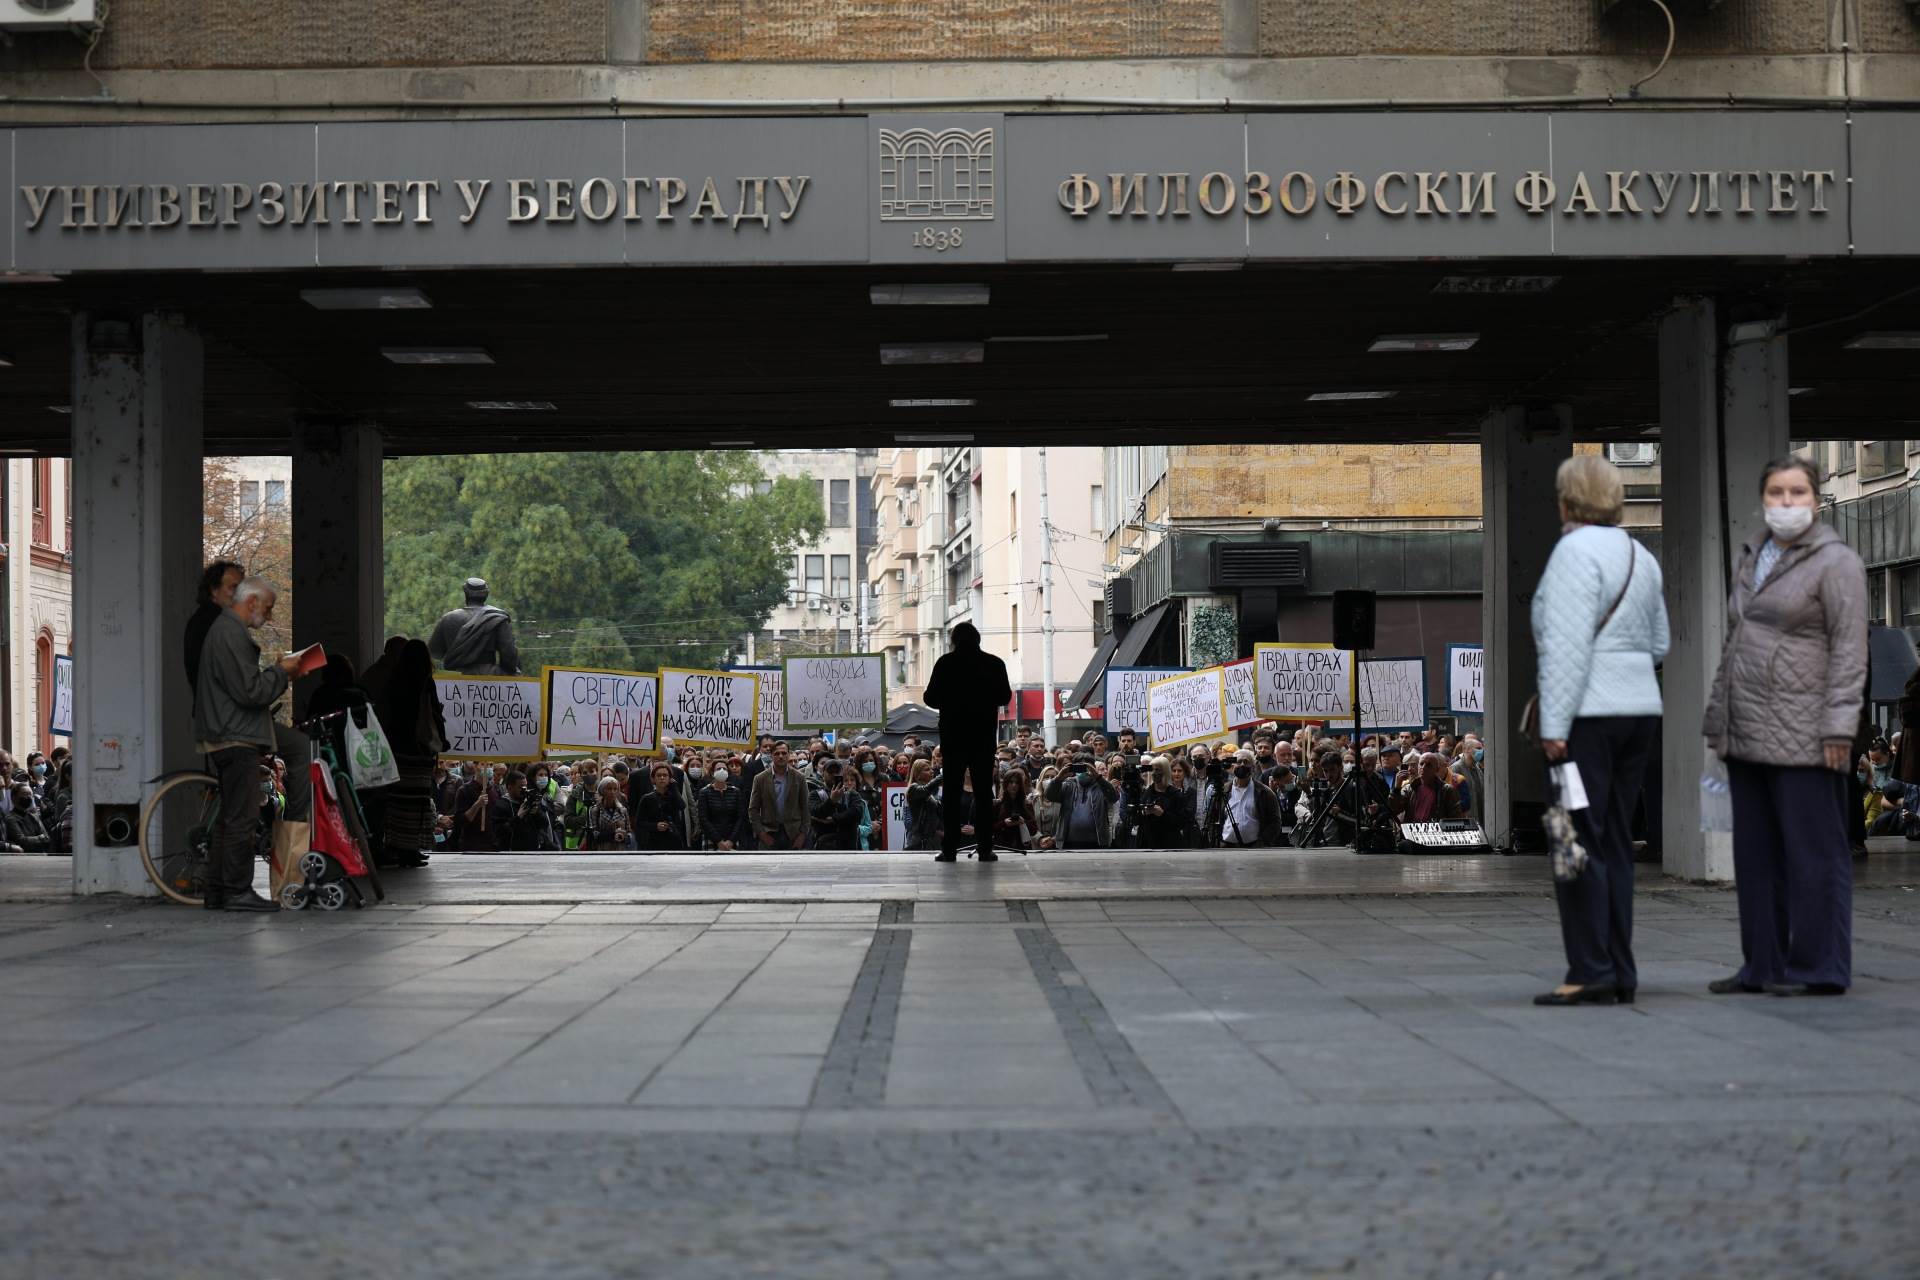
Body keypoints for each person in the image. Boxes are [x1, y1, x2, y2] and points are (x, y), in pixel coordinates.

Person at [1704, 454, 1867, 998]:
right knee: (1755, 855)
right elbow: (1736, 643)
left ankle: (1821, 966)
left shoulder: (1837, 562)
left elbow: (1850, 651)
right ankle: (1762, 964)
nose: (1787, 502)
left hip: (1807, 732)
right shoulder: (1752, 555)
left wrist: (1839, 728)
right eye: (1777, 492)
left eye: (1798, 492)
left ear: (1816, 500)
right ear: (1763, 499)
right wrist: (1718, 718)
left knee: (1814, 854)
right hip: (1748, 727)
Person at [1530, 453, 1671, 1008]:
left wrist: (1553, 726)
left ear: (1568, 501)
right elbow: (1660, 643)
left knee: (1573, 839)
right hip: (1640, 711)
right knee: (1613, 840)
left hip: (1585, 719)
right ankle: (1619, 968)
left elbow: (1566, 648)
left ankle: (1589, 969)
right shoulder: (1640, 555)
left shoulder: (1572, 552)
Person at [193, 576, 306, 912]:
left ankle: (219, 890)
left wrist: (280, 672)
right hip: (236, 734)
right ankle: (236, 890)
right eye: (268, 608)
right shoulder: (231, 633)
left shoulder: (226, 631)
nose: (269, 617)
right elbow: (251, 691)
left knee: (230, 816)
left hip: (226, 731)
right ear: (252, 601)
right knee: (242, 817)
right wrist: (282, 672)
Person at [922, 621, 1013, 863]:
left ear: (954, 641)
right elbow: (1005, 696)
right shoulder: (994, 663)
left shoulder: (945, 664)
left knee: (951, 793)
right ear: (978, 640)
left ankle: (949, 849)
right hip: (983, 737)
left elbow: (930, 698)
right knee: (983, 793)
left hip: (953, 737)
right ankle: (985, 848)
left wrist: (951, 700)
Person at [377, 639, 446, 869]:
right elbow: (433, 714)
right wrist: (441, 740)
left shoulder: (394, 681)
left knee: (398, 800)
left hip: (397, 748)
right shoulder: (425, 682)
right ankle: (411, 848)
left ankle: (397, 847)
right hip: (418, 750)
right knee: (417, 802)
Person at [427, 577, 522, 676]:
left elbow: (432, 655)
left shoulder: (448, 618)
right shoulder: (498, 618)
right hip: (489, 677)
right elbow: (509, 657)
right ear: (486, 594)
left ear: (465, 593)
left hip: (455, 677)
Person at [183, 560, 244, 694]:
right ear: (214, 590)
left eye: (243, 589)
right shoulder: (220, 624)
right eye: (234, 587)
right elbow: (241, 685)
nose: (241, 595)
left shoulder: (202, 619)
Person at [1045, 753, 1119, 849]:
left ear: (1093, 768)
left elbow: (1113, 797)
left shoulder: (1101, 786)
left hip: (1096, 843)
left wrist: (1098, 777)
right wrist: (1058, 778)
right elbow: (1050, 796)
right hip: (1068, 842)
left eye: (1087, 767)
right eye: (1080, 767)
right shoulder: (1068, 784)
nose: (1084, 771)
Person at [748, 741, 810, 849]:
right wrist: (761, 833)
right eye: (777, 753)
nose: (780, 756)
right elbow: (753, 809)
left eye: (784, 753)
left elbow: (806, 808)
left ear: (789, 754)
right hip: (769, 833)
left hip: (794, 834)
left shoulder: (799, 777)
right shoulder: (760, 779)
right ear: (771, 756)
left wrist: (803, 835)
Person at [1130, 757, 1191, 848]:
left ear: (1165, 771)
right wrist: (1143, 812)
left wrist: (1162, 814)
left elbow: (1181, 821)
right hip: (1147, 842)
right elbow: (1135, 819)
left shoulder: (1175, 794)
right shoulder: (1147, 793)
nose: (1154, 773)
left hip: (1168, 842)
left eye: (1157, 770)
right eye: (1152, 770)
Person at [697, 759, 749, 851]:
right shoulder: (704, 792)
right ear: (712, 773)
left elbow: (740, 817)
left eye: (724, 769)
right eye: (718, 769)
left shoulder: (735, 791)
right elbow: (703, 819)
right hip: (711, 839)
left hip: (732, 839)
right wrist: (718, 841)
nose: (722, 771)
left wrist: (731, 840)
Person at [633, 762, 686, 851]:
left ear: (670, 778)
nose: (662, 778)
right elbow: (639, 823)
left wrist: (674, 787)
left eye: (665, 775)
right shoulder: (647, 798)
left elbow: (682, 806)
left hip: (673, 841)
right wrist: (655, 826)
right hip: (654, 843)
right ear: (653, 779)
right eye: (658, 775)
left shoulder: (673, 796)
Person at [3, 783, 51, 854]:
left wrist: (35, 840)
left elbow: (47, 838)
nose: (28, 797)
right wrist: (40, 838)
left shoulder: (34, 816)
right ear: (14, 797)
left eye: (30, 794)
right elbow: (21, 841)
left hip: (39, 855)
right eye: (24, 794)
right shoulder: (10, 818)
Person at [586, 776, 630, 851]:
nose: (612, 792)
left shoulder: (622, 810)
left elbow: (629, 833)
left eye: (615, 789)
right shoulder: (595, 810)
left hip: (619, 851)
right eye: (609, 789)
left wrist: (624, 835)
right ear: (602, 791)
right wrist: (612, 835)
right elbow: (593, 835)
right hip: (601, 851)